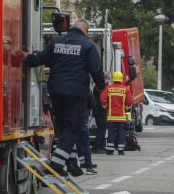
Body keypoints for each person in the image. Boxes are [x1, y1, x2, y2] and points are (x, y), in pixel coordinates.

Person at [21, 19, 106, 177]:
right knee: (72, 129)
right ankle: (56, 166)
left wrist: (28, 58)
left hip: (55, 92)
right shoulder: (87, 45)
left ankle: (71, 164)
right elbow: (97, 70)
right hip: (75, 93)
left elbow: (39, 59)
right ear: (85, 30)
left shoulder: (57, 42)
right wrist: (101, 86)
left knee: (65, 130)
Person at [101, 71, 133, 155]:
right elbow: (130, 101)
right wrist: (125, 108)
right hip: (121, 115)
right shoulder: (125, 89)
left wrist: (106, 108)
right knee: (121, 132)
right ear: (122, 79)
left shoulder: (108, 89)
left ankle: (110, 150)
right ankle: (121, 150)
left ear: (113, 78)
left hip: (111, 115)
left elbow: (103, 99)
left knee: (111, 132)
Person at [75, 89, 98, 175]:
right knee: (86, 144)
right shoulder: (86, 90)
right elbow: (93, 104)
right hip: (82, 120)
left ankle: (74, 166)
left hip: (70, 121)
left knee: (71, 144)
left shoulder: (68, 88)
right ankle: (89, 167)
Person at [91, 71, 112, 154]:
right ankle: (96, 147)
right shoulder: (101, 86)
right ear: (108, 78)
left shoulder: (98, 86)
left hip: (98, 110)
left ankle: (102, 146)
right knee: (101, 129)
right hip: (101, 110)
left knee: (103, 129)